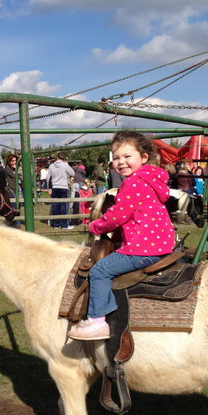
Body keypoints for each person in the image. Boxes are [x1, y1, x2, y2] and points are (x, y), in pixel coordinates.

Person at [69, 130, 174, 341]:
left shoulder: (133, 183)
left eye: (127, 157)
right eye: (116, 158)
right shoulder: (151, 181)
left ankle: (97, 321)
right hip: (161, 245)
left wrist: (96, 226)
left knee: (100, 270)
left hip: (142, 249)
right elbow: (132, 217)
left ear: (144, 158)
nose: (121, 162)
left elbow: (118, 215)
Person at [46, 151, 75, 229]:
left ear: (57, 157)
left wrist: (49, 188)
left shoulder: (51, 166)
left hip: (54, 187)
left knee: (55, 206)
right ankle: (64, 225)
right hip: (63, 187)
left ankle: (56, 224)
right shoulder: (64, 165)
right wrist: (67, 165)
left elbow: (48, 178)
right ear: (64, 158)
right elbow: (73, 173)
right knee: (63, 206)